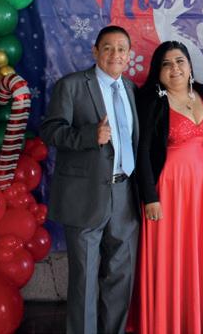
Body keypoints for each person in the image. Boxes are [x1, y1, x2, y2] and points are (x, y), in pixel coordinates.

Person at [41, 25, 140, 334]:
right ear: (95, 51)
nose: (115, 54)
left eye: (121, 49)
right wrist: (89, 136)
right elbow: (50, 131)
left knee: (120, 276)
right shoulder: (71, 85)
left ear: (129, 56)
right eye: (108, 47)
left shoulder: (132, 89)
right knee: (84, 279)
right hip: (84, 196)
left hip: (124, 193)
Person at [131, 41, 203, 334]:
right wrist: (150, 197)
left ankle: (197, 321)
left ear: (190, 65)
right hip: (169, 187)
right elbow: (142, 152)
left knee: (199, 253)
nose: (175, 69)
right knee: (169, 254)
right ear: (157, 71)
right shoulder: (151, 100)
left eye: (180, 61)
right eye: (167, 64)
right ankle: (165, 323)